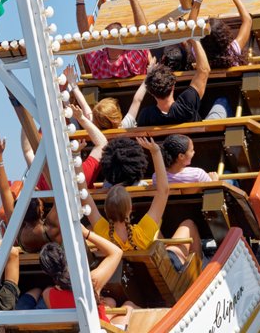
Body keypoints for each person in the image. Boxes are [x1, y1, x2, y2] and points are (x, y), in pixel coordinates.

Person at [86, 137, 202, 273]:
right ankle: (200, 273)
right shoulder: (142, 232)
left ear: (105, 210)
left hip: (136, 278)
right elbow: (163, 191)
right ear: (130, 209)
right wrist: (156, 152)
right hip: (167, 270)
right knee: (188, 225)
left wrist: (76, 157)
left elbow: (84, 196)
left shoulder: (102, 232)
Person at [39, 237, 133, 327]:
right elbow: (116, 252)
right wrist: (86, 233)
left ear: (45, 271)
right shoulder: (90, 282)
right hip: (102, 329)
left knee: (110, 302)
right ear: (67, 260)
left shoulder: (47, 294)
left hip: (84, 327)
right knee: (129, 306)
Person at [77, 0, 149, 79]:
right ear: (123, 40)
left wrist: (80, 0)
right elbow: (143, 32)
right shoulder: (132, 60)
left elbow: (84, 35)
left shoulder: (98, 63)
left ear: (105, 42)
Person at [137, 39, 209, 126]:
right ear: (173, 86)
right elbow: (204, 71)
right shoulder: (186, 105)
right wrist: (195, 40)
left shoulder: (145, 116)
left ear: (151, 92)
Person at [191, 0, 252, 67]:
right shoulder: (232, 51)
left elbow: (190, 25)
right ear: (224, 35)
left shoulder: (198, 52)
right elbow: (247, 20)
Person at [92, 56, 155, 129]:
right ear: (116, 117)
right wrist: (148, 75)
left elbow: (86, 111)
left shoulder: (96, 134)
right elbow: (137, 100)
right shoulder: (126, 126)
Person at [154, 134, 218, 183]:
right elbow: (212, 193)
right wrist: (214, 181)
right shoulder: (198, 174)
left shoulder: (157, 176)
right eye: (191, 150)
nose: (194, 152)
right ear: (181, 156)